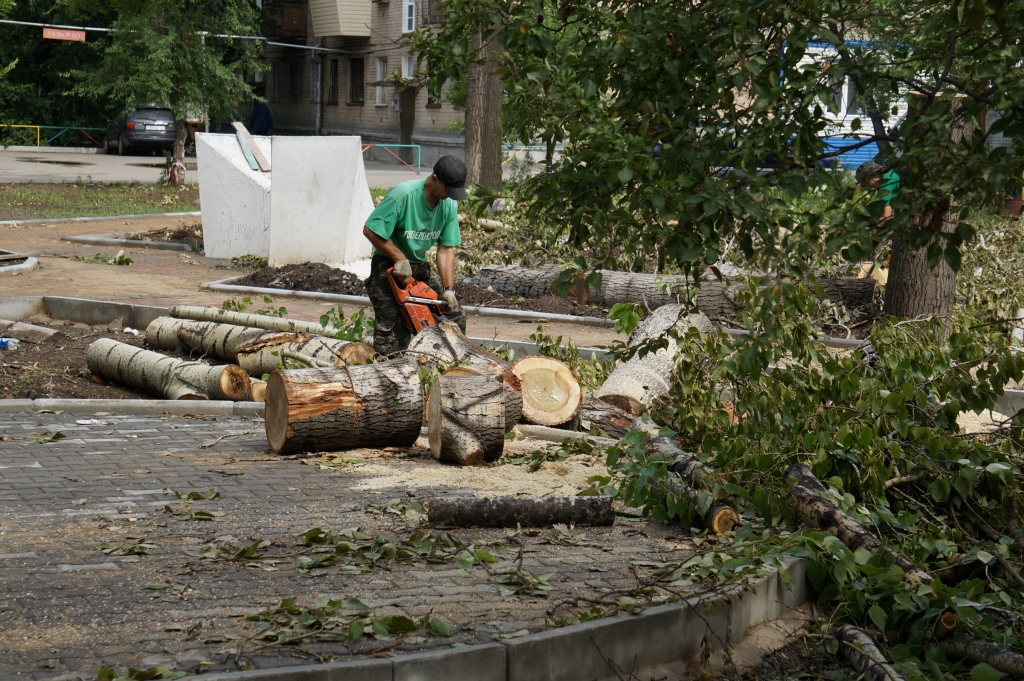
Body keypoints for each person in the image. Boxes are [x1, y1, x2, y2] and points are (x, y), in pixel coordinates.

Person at [363, 155, 468, 356]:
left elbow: (446, 249)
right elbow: (370, 229)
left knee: (454, 317)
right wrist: (398, 257)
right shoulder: (403, 195)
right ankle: (390, 374)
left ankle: (448, 365)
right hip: (388, 266)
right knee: (394, 334)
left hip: (419, 266)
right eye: (448, 190)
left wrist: (449, 289)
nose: (450, 196)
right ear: (434, 178)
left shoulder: (448, 205)